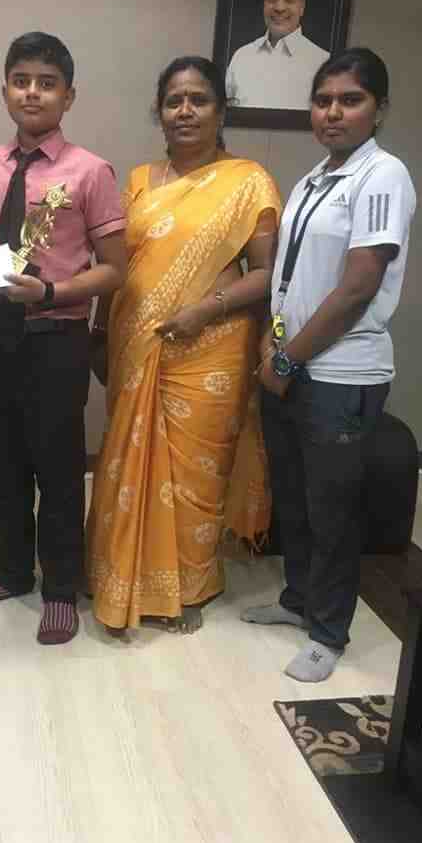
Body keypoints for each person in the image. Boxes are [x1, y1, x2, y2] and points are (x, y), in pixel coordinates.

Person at [86, 56, 282, 633]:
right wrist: (99, 331)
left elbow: (267, 274)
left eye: (199, 99)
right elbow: (114, 266)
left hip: (212, 348)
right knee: (128, 461)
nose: (186, 110)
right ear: (160, 111)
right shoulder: (138, 182)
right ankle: (119, 576)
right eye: (174, 100)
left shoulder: (248, 181)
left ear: (221, 110)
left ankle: (189, 588)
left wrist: (205, 310)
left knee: (197, 476)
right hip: (136, 344)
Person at [0, 32, 127, 644]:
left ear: (68, 96)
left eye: (47, 83)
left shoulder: (91, 171)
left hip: (56, 340)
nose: (33, 92)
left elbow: (116, 269)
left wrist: (50, 291)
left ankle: (59, 589)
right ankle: (10, 572)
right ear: (5, 90)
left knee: (57, 469)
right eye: (22, 81)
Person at [247, 48, 416, 682]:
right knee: (293, 498)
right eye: (323, 101)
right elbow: (289, 280)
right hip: (290, 364)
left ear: (379, 109)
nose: (333, 112)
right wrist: (272, 346)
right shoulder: (316, 177)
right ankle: (299, 599)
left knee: (333, 510)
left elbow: (356, 289)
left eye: (350, 100)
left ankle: (328, 630)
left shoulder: (384, 175)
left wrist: (287, 360)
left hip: (340, 375)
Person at [226, 0, 329, 110]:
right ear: (264, 3)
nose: (279, 7)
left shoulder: (323, 63)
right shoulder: (241, 57)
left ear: (302, 6)